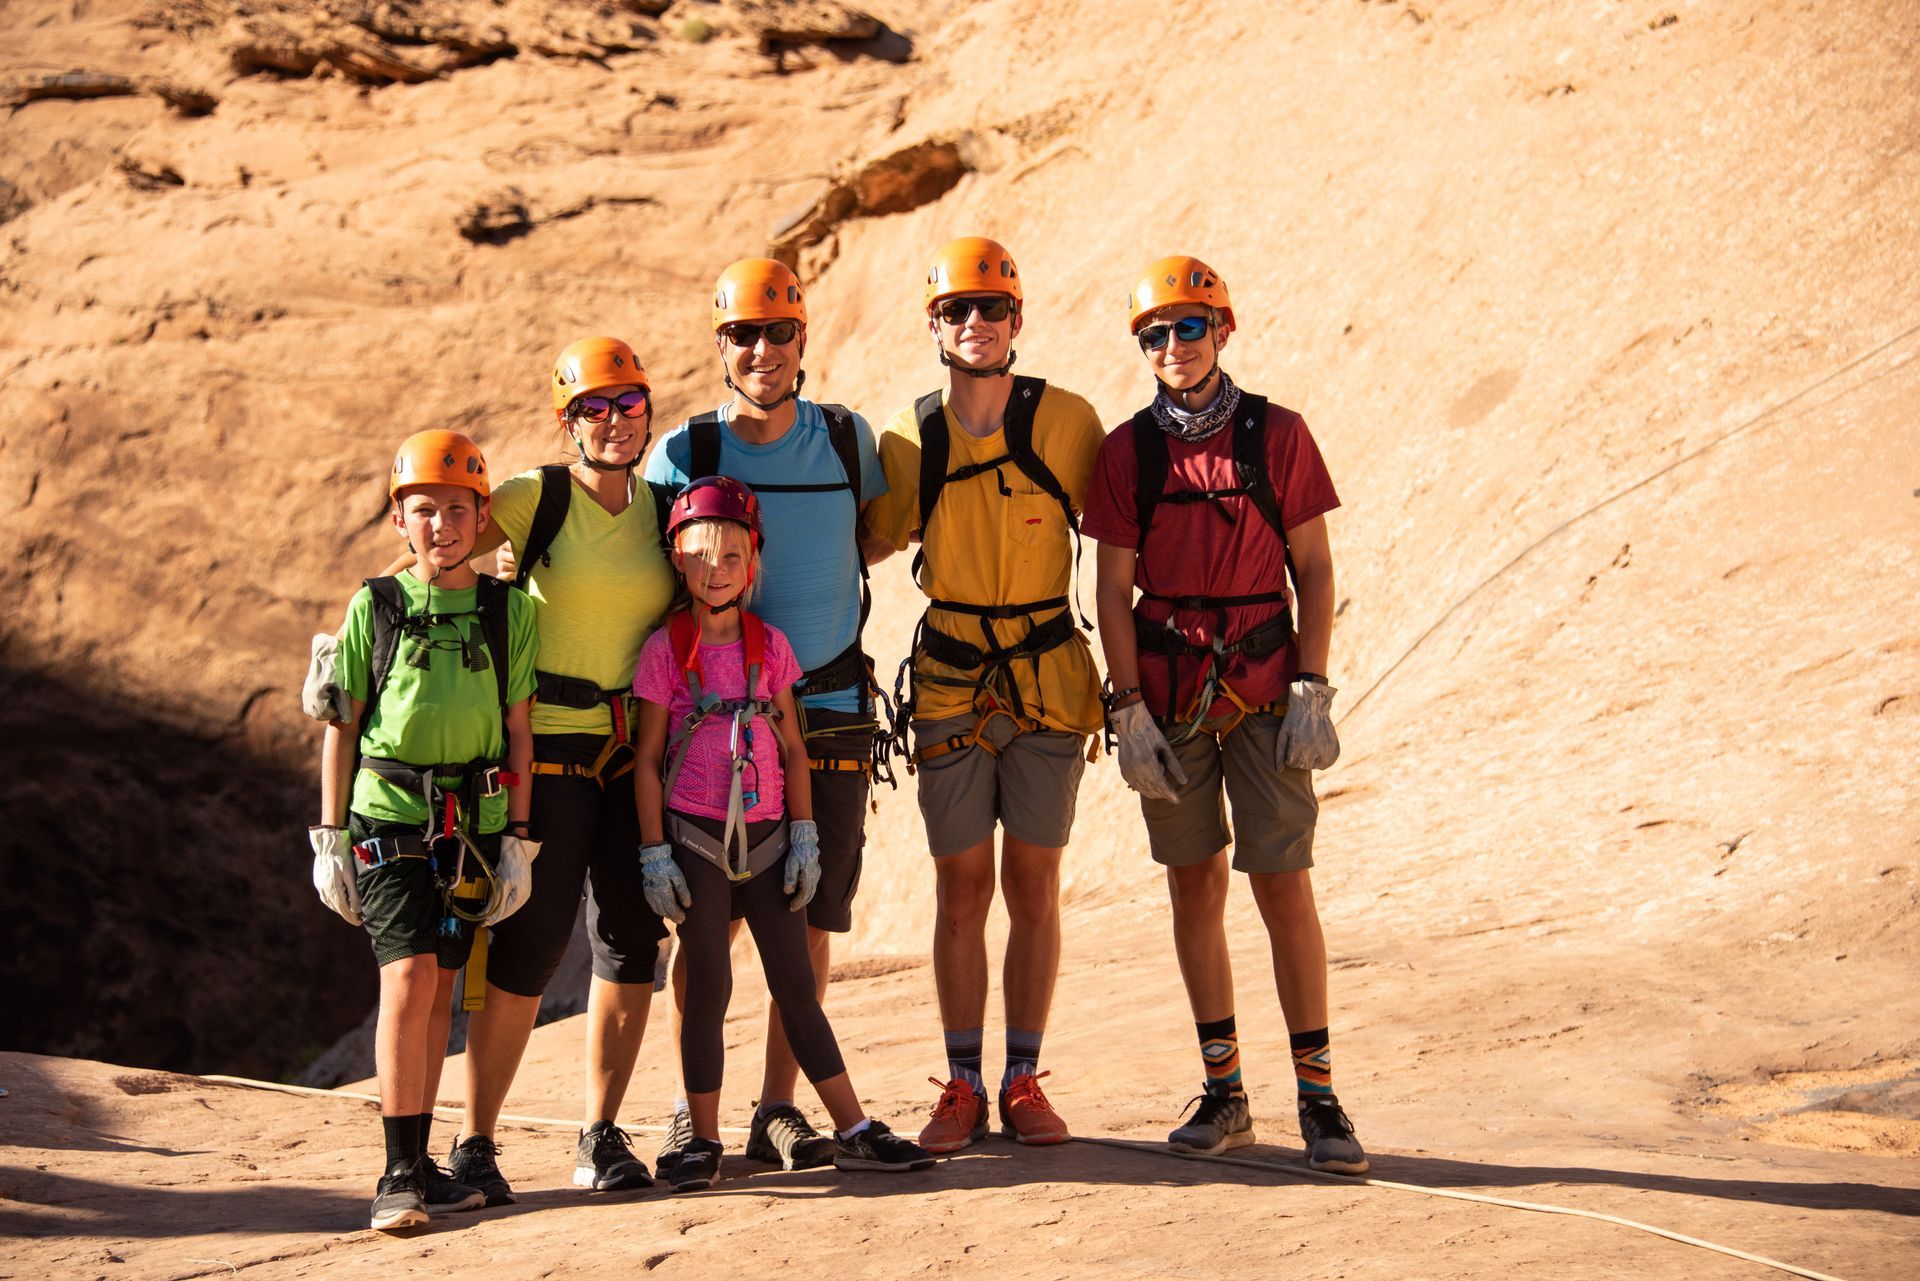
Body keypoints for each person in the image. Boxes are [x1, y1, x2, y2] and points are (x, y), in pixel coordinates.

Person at [1081, 256, 1368, 1174]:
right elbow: (1114, 588)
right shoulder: (1125, 453)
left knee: (1283, 882)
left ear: (1225, 329)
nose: (1172, 345)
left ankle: (1319, 1100)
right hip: (1168, 698)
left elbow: (1313, 566)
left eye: (1189, 327)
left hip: (1263, 686)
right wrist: (1126, 712)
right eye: (1154, 333)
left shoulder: (1276, 434)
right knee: (1193, 886)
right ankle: (1226, 1092)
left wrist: (1313, 687)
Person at [642, 259, 888, 1174]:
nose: (762, 349)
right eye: (743, 334)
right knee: (706, 931)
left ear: (803, 339)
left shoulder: (846, 439)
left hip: (824, 705)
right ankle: (690, 1111)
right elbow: (651, 571)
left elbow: (877, 532)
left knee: (808, 914)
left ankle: (778, 1108)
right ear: (720, 346)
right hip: (708, 720)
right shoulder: (685, 454)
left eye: (778, 331)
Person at [864, 236, 1103, 1153]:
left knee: (1033, 881)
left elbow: (1121, 542)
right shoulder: (907, 435)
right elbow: (870, 542)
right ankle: (962, 1082)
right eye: (957, 310)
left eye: (991, 308)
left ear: (1017, 320)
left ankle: (1021, 1078)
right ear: (934, 325)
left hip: (1049, 676)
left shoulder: (1070, 423)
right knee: (961, 887)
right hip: (955, 678)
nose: (976, 324)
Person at [631, 477, 934, 1190]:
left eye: (732, 556)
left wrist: (805, 834)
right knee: (707, 976)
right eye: (702, 556)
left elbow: (796, 748)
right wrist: (652, 851)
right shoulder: (667, 648)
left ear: (753, 561)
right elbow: (646, 760)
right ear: (678, 559)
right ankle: (703, 1139)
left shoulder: (772, 645)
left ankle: (854, 1126)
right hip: (695, 834)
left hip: (770, 837)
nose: (717, 570)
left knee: (795, 981)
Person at [432, 338, 680, 1202]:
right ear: (566, 421)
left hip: (633, 755)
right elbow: (438, 558)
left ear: (650, 410)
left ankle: (601, 1133)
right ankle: (476, 1142)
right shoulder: (534, 499)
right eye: (593, 409)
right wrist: (377, 634)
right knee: (529, 944)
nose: (614, 422)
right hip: (547, 754)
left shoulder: (663, 508)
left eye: (628, 404)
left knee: (631, 939)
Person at [309, 430, 539, 1230]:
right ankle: (398, 1174)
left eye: (456, 508)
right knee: (406, 979)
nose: (440, 524)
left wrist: (516, 835)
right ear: (399, 519)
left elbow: (519, 729)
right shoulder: (375, 605)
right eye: (423, 510)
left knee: (441, 985)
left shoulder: (509, 610)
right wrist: (330, 834)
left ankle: (421, 1162)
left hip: (470, 827)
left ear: (482, 516)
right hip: (390, 814)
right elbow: (342, 723)